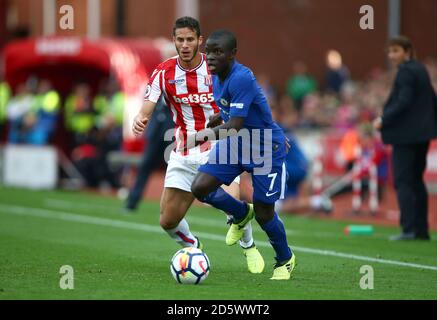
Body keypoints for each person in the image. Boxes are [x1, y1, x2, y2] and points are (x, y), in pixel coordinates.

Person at [132, 17, 264, 273]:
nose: (184, 44)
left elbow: (247, 99)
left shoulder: (218, 68)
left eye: (190, 39)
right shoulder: (164, 72)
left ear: (199, 41)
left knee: (228, 201)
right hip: (183, 149)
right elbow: (147, 105)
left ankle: (248, 245)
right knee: (168, 221)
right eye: (180, 39)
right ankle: (193, 245)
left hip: (220, 144)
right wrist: (140, 118)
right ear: (174, 41)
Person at [190, 30, 296, 280]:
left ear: (233, 54)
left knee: (264, 212)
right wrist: (219, 115)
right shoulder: (216, 75)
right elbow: (235, 111)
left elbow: (235, 124)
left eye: (218, 52)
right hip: (237, 144)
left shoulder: (242, 77)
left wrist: (201, 136)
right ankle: (239, 212)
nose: (211, 57)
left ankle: (284, 259)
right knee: (200, 187)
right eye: (209, 51)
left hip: (265, 148)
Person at [373, 36, 437, 241]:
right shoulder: (420, 69)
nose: (392, 56)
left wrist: (383, 118)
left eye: (396, 51)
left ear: (407, 51)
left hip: (407, 136)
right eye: (390, 51)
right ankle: (421, 230)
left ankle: (408, 228)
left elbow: (404, 101)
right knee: (416, 181)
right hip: (422, 134)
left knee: (403, 181)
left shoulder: (406, 72)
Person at [125, 97, 173, 211]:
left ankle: (173, 207)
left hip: (172, 132)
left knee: (174, 169)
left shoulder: (178, 82)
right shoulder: (157, 82)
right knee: (145, 166)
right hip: (155, 132)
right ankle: (132, 202)